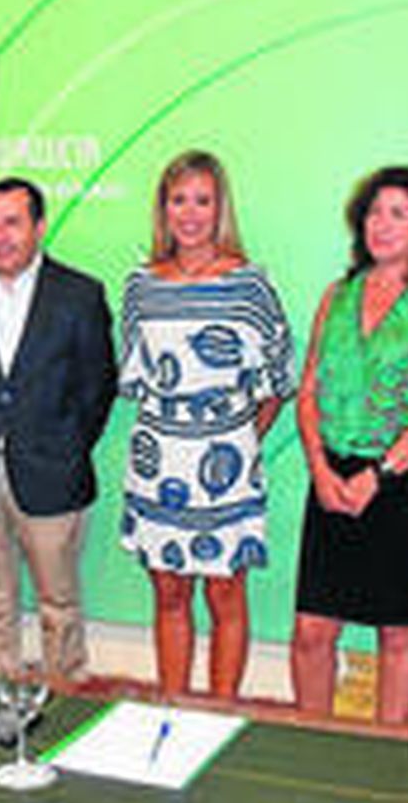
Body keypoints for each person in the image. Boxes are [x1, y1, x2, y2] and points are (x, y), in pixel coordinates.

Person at [290, 166, 408, 723]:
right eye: (374, 212)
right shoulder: (337, 295)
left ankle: (384, 752)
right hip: (334, 473)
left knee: (397, 629)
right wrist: (320, 469)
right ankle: (315, 741)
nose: (381, 225)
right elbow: (309, 391)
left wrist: (379, 476)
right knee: (312, 629)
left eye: (398, 214)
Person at [117, 150, 295, 699]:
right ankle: (171, 704)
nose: (189, 214)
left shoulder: (249, 286)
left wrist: (234, 439)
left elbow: (278, 380)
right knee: (169, 595)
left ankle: (220, 712)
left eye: (202, 200)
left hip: (225, 470)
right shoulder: (140, 285)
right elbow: (133, 376)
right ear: (163, 208)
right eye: (178, 200)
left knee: (224, 598)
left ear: (220, 208)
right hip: (157, 462)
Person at [0, 176, 117, 741]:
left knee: (58, 600)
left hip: (51, 472)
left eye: (12, 222)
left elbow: (99, 386)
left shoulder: (79, 293)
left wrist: (64, 446)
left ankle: (63, 703)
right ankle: (4, 697)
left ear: (39, 227)